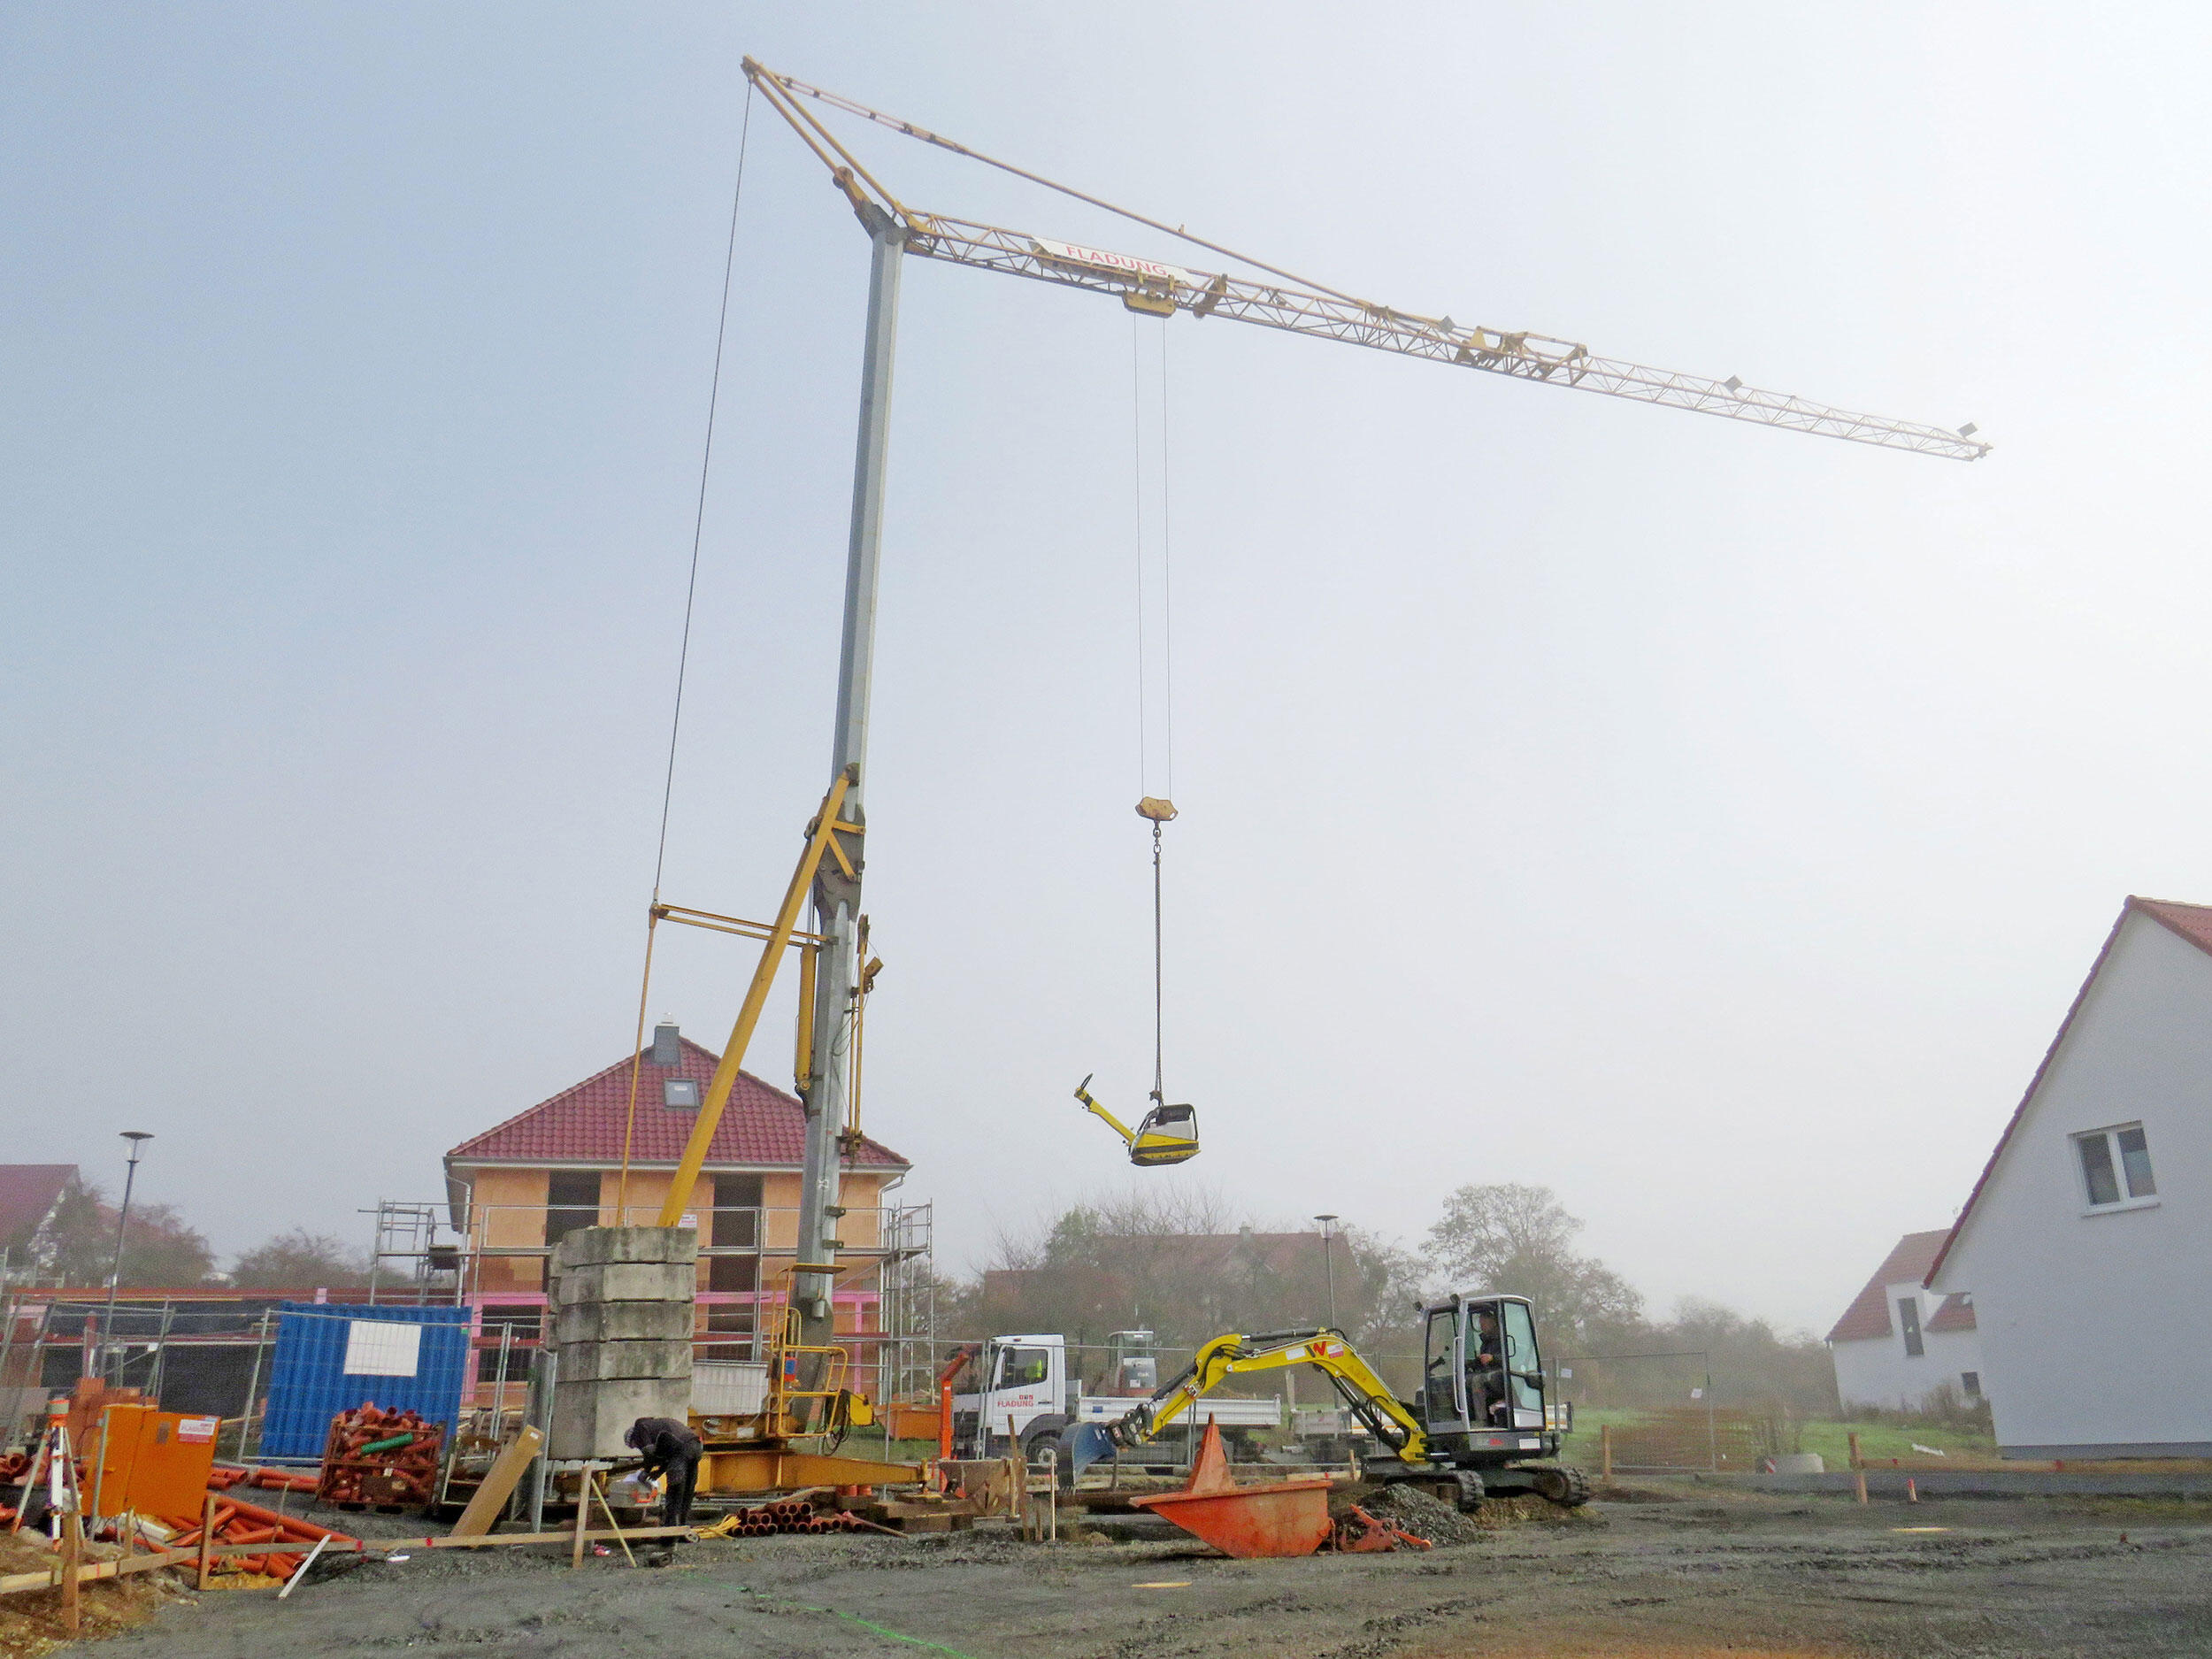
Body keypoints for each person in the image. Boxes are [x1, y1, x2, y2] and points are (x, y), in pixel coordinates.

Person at [624, 1415, 703, 1533]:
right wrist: (659, 1472)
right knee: (687, 1490)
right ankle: (683, 1528)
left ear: (632, 1439)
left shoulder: (639, 1430)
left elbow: (650, 1453)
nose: (637, 1447)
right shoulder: (656, 1426)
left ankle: (670, 1531)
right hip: (696, 1447)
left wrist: (645, 1471)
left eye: (634, 1445)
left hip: (682, 1449)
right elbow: (672, 1454)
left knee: (675, 1489)